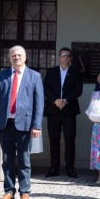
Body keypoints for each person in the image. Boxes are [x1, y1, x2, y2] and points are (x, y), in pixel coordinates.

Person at [0, 45, 44, 199]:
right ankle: (9, 191)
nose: (16, 57)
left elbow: (39, 104)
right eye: (13, 55)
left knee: (24, 159)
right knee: (7, 159)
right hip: (5, 124)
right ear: (9, 58)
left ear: (25, 58)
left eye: (19, 55)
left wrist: (36, 125)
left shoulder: (34, 76)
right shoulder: (2, 76)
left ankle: (24, 192)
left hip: (25, 125)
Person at [43, 47, 84, 178]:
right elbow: (46, 88)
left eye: (68, 56)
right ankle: (54, 168)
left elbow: (78, 90)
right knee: (54, 140)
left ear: (71, 59)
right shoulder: (51, 72)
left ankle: (70, 168)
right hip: (53, 110)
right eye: (63, 55)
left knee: (69, 140)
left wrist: (65, 101)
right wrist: (55, 100)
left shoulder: (76, 72)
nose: (65, 57)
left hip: (69, 111)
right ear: (59, 57)